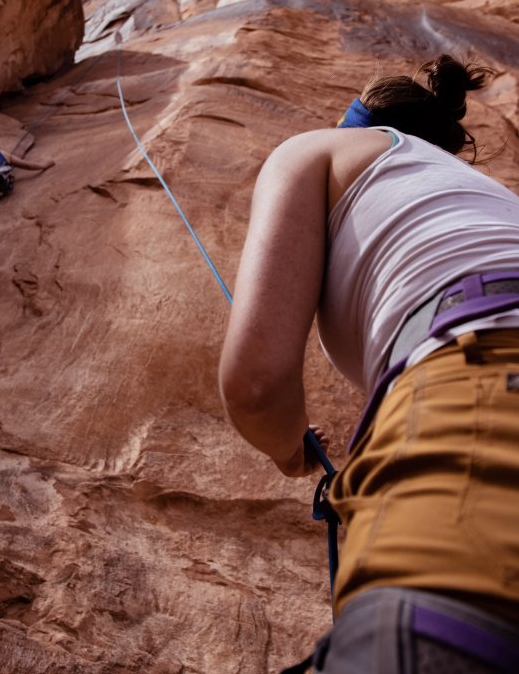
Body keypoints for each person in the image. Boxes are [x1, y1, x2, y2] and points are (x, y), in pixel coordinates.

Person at [218, 55, 519, 673]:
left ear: (353, 121)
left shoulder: (316, 151)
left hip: (482, 370)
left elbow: (255, 384)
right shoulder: (484, 197)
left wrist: (288, 449)